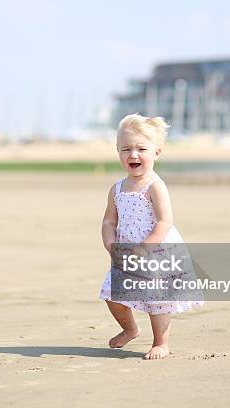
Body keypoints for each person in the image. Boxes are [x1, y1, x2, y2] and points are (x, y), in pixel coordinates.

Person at [99, 113, 203, 360]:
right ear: (118, 152)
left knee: (158, 301)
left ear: (157, 152)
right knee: (113, 295)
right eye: (126, 149)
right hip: (126, 254)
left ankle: (161, 342)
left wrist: (145, 249)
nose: (133, 155)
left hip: (156, 252)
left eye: (141, 149)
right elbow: (109, 220)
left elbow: (164, 221)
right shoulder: (117, 188)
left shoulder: (155, 185)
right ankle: (130, 328)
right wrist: (110, 244)